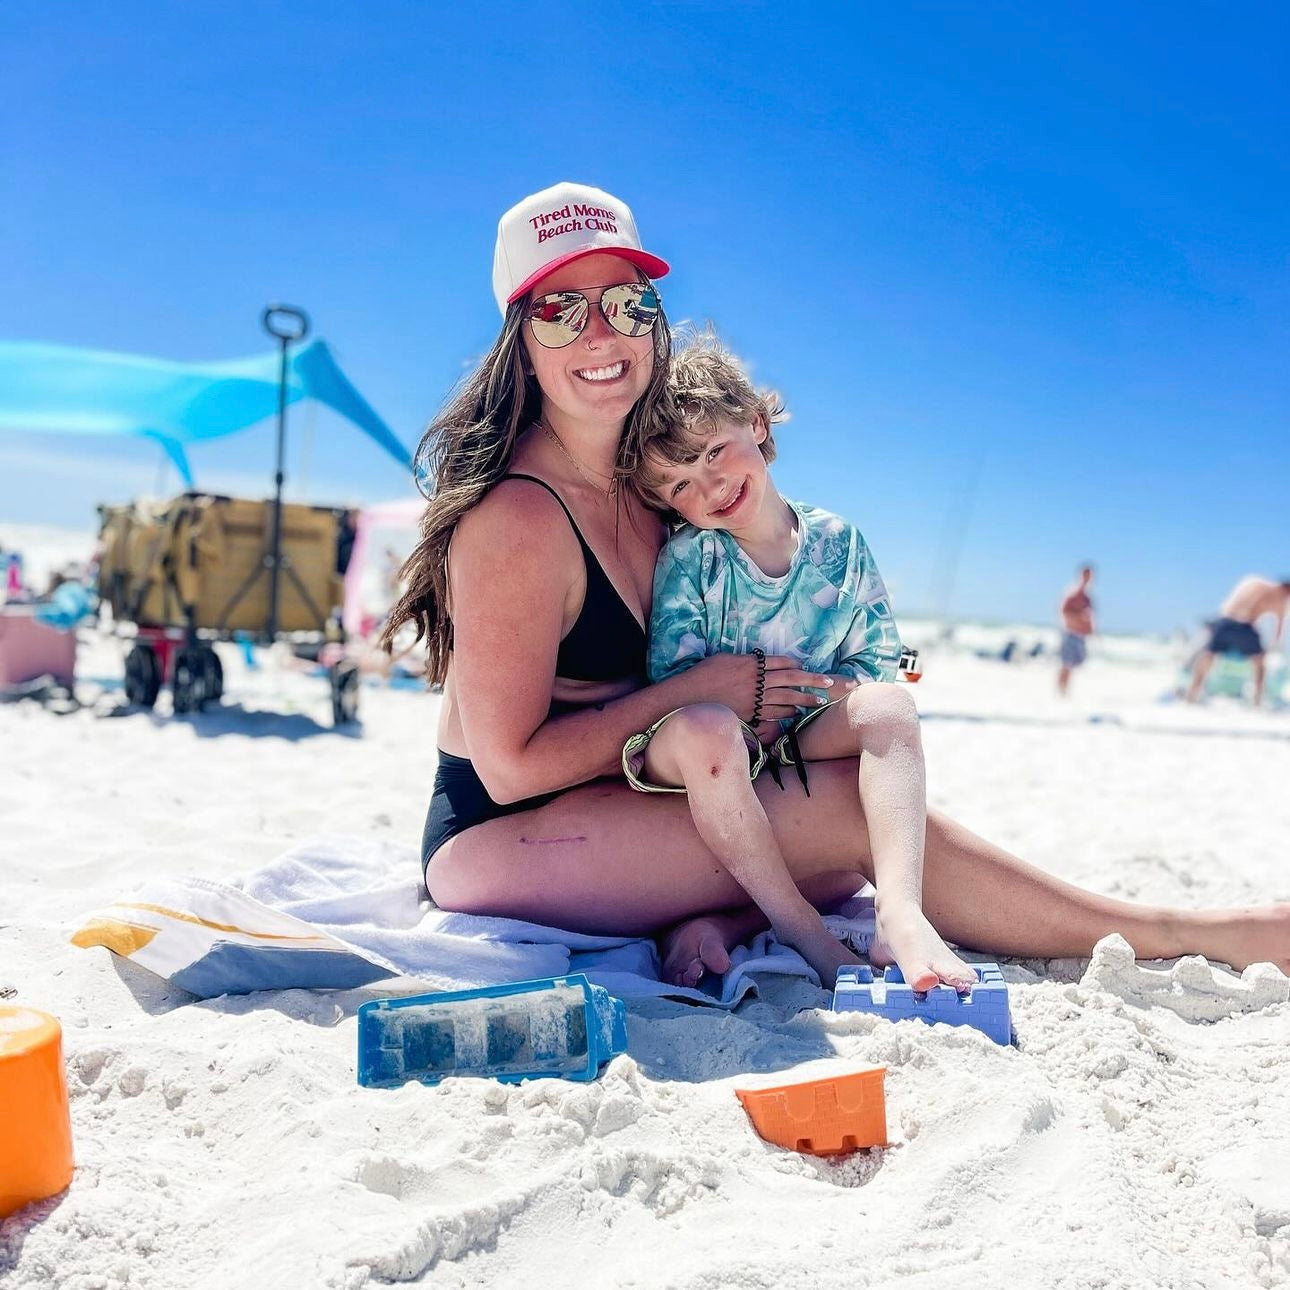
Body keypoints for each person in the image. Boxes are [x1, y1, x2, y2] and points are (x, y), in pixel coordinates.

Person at [383, 180, 1290, 989]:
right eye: (561, 311)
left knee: (871, 769)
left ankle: (716, 916)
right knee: (856, 825)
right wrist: (698, 693)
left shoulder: (654, 487)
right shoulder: (521, 519)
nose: (601, 334)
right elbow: (507, 769)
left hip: (642, 793)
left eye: (627, 302)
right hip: (504, 836)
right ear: (519, 338)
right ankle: (1175, 932)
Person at [618, 336, 974, 990]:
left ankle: (899, 909)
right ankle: (798, 926)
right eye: (679, 484)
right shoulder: (692, 560)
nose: (709, 485)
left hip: (798, 745)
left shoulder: (840, 544)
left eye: (713, 452)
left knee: (891, 709)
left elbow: (882, 663)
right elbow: (675, 686)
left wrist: (815, 698)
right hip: (709, 749)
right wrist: (751, 706)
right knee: (708, 731)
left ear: (756, 423)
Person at [1186, 575, 1290, 707]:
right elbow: (1279, 627)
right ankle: (1257, 702)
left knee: (1208, 656)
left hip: (1225, 621)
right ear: (1286, 589)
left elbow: (1232, 602)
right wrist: (1275, 644)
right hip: (1243, 625)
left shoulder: (1256, 582)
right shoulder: (1276, 597)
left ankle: (1191, 696)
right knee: (1259, 663)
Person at [1057, 564, 1095, 696]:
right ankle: (1061, 690)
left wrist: (1090, 629)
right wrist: (1078, 619)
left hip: (1080, 635)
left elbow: (1089, 618)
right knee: (1067, 663)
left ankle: (1064, 689)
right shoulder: (1073, 593)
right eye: (1086, 574)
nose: (1088, 578)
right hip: (1071, 633)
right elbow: (1063, 611)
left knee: (1073, 663)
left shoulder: (1087, 597)